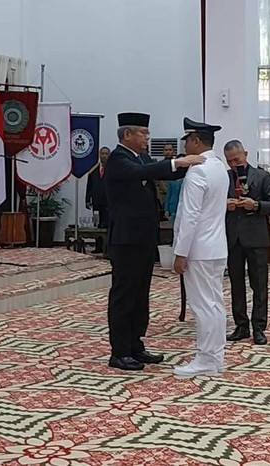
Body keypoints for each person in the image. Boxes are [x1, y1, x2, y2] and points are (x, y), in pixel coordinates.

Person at [105, 112, 204, 371]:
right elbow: (145, 171)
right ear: (127, 134)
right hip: (126, 241)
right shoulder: (118, 159)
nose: (147, 138)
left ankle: (135, 345)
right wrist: (180, 162)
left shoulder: (141, 157)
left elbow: (161, 173)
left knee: (140, 294)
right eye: (143, 133)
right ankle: (119, 351)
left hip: (143, 239)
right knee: (124, 294)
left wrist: (197, 166)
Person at [172, 118, 229, 377]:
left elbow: (189, 216)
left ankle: (206, 358)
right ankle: (215, 356)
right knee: (214, 303)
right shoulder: (219, 167)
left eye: (187, 140)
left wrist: (180, 253)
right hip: (217, 247)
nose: (185, 145)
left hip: (199, 249)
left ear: (195, 141)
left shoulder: (198, 170)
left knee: (203, 305)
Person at [224, 140, 270, 345]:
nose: (234, 164)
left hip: (256, 237)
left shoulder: (262, 176)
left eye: (236, 159)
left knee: (259, 285)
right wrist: (225, 205)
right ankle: (241, 326)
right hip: (233, 238)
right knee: (236, 284)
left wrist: (255, 205)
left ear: (245, 154)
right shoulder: (225, 177)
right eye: (229, 161)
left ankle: (259, 327)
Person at [86, 146, 111, 228]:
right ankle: (97, 241)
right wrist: (87, 199)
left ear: (109, 155)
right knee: (96, 223)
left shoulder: (113, 170)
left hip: (108, 201)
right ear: (99, 155)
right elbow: (89, 185)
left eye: (106, 154)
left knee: (107, 223)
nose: (104, 156)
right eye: (102, 153)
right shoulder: (93, 169)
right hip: (96, 201)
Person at [156, 144, 175, 217]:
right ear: (163, 152)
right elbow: (157, 181)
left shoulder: (178, 164)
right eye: (166, 150)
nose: (168, 152)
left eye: (170, 150)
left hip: (175, 194)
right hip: (162, 195)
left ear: (173, 151)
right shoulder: (159, 165)